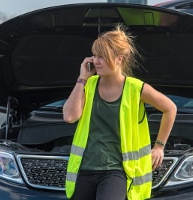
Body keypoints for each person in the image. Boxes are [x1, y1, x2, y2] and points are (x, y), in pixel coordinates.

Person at [63, 24, 177, 200]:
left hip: (115, 172)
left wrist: (159, 146)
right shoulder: (89, 85)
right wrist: (81, 79)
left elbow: (170, 108)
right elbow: (70, 117)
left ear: (119, 59)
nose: (95, 61)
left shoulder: (136, 88)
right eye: (94, 55)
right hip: (85, 169)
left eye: (101, 56)